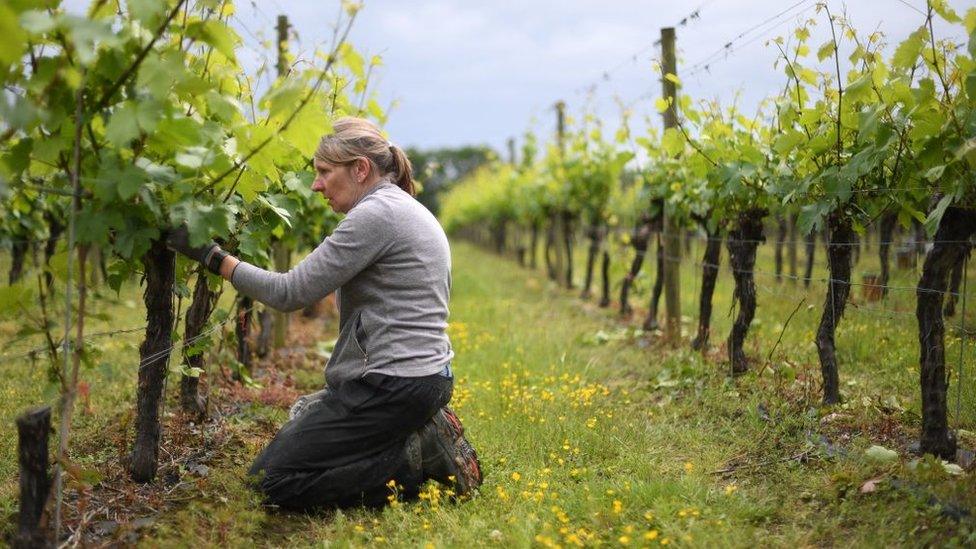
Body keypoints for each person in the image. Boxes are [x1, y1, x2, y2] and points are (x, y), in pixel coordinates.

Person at [166, 116, 482, 511]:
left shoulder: (376, 215)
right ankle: (410, 434)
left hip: (394, 386)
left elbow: (289, 292)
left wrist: (213, 258)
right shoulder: (399, 207)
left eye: (324, 172)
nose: (315, 185)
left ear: (360, 169)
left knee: (272, 482)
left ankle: (413, 461)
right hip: (420, 379)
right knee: (304, 415)